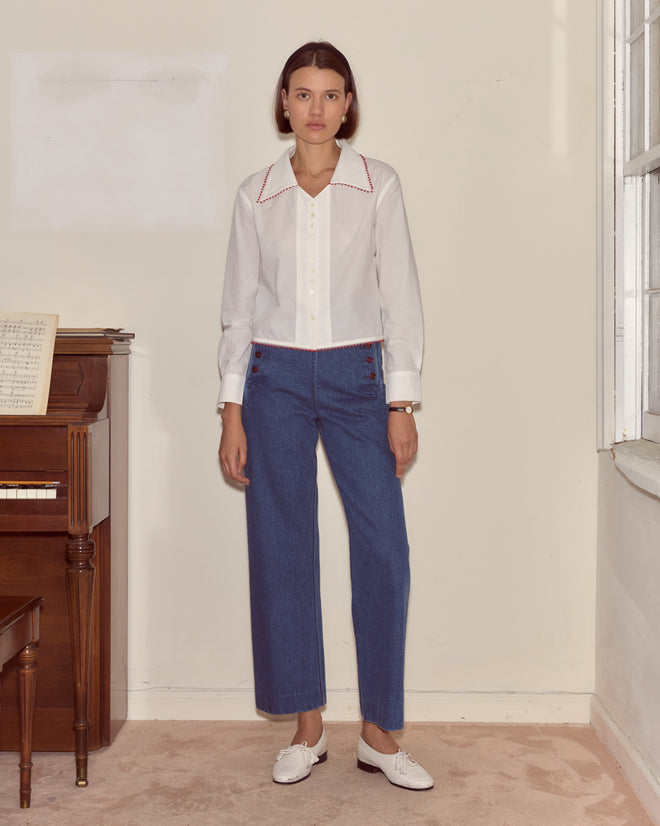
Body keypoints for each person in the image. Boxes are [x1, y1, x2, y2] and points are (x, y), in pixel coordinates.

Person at [217, 41, 432, 790]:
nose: (316, 108)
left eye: (331, 94)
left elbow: (401, 298)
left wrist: (400, 400)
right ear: (283, 102)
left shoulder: (379, 185)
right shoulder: (257, 193)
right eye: (302, 93)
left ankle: (378, 730)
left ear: (348, 104)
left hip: (358, 373)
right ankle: (306, 727)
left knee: (383, 547)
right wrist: (231, 408)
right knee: (281, 545)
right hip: (272, 375)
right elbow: (238, 311)